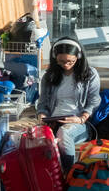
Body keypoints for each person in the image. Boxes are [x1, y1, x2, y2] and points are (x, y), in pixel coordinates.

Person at [37, 38, 102, 170]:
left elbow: (94, 101)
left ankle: (69, 176)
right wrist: (42, 116)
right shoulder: (49, 76)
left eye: (70, 61)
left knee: (64, 133)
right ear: (55, 57)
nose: (66, 65)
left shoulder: (90, 74)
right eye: (61, 61)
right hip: (53, 122)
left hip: (79, 124)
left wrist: (80, 118)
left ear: (78, 57)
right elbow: (43, 102)